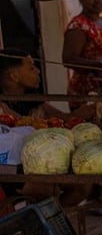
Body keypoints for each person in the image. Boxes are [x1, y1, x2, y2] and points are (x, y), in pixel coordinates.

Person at [0, 49, 90, 206]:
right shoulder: (2, 106)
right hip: (10, 167)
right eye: (31, 68)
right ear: (14, 76)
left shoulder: (33, 99)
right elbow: (22, 124)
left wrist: (86, 111)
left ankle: (53, 218)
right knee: (44, 188)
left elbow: (64, 119)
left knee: (83, 185)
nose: (38, 71)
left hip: (39, 163)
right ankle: (39, 218)